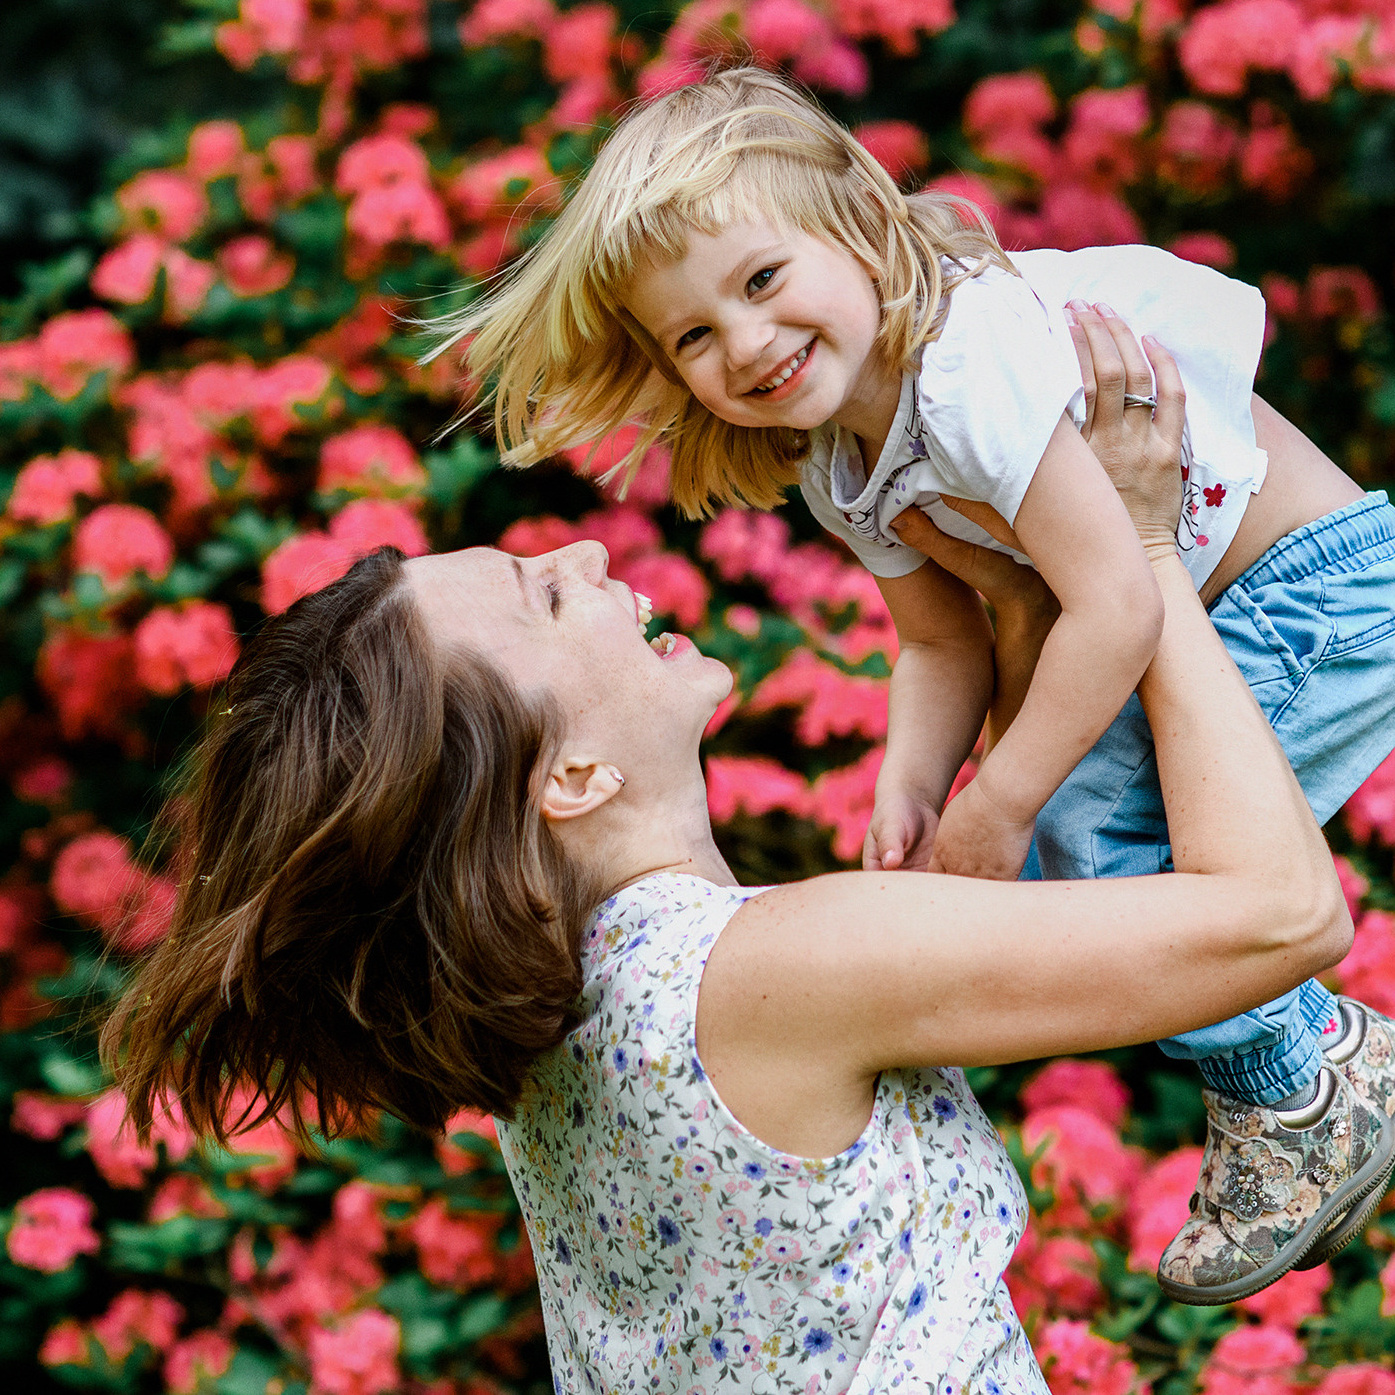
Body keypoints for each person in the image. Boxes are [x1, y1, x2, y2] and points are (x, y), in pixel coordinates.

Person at [105, 319, 1386, 1395]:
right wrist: (1144, 548)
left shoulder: (569, 1036)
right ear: (569, 779)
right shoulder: (768, 975)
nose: (590, 551)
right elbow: (1280, 917)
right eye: (544, 594)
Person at [427, 66, 1395, 1298]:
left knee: (1107, 861)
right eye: (696, 336)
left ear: (860, 222)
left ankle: (1310, 1076)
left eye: (763, 281)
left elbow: (1115, 601)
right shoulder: (845, 459)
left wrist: (1001, 801)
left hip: (1315, 590)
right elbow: (942, 643)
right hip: (1220, 609)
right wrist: (918, 781)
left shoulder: (961, 367)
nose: (749, 345)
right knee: (1077, 872)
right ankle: (1305, 1068)